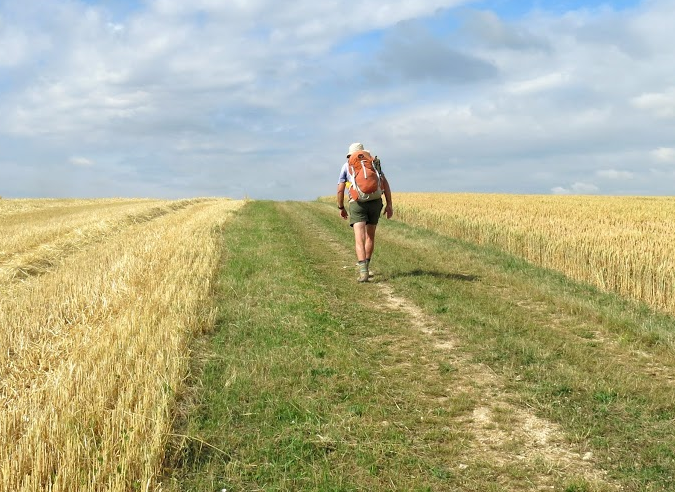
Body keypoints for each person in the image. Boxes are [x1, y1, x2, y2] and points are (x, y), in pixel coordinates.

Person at [337, 142, 393, 282]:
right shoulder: (373, 163)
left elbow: (340, 189)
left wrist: (341, 207)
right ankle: (367, 265)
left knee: (359, 238)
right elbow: (384, 183)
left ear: (350, 155)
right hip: (375, 202)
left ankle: (363, 272)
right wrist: (389, 205)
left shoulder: (347, 165)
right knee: (370, 237)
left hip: (357, 203)